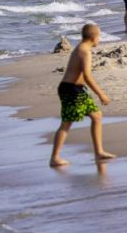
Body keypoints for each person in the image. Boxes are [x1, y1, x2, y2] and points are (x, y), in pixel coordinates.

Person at [49, 24, 115, 167]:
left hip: (77, 89)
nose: (100, 39)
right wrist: (101, 94)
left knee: (96, 116)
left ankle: (99, 152)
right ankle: (54, 157)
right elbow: (87, 75)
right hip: (71, 90)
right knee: (66, 123)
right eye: (99, 36)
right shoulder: (84, 51)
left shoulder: (82, 48)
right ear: (93, 37)